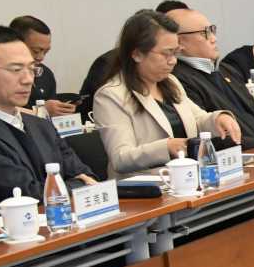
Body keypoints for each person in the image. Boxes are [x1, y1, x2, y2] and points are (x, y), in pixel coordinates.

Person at [91, 10, 241, 175]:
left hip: (187, 177)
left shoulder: (170, 81)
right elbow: (121, 158)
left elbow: (197, 119)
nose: (173, 61)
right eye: (166, 54)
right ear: (137, 54)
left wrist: (218, 118)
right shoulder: (111, 96)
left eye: (175, 53)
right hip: (147, 185)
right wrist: (166, 147)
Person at [0, 23, 95, 211]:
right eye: (16, 70)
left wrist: (74, 184)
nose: (28, 79)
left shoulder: (40, 125)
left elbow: (86, 175)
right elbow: (29, 194)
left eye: (32, 69)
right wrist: (76, 186)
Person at [169, 8, 254, 148]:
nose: (213, 38)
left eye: (212, 30)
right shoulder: (179, 80)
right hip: (245, 153)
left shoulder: (226, 70)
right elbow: (213, 136)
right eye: (205, 33)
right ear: (179, 42)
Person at [8, 16, 76, 115]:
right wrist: (40, 112)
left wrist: (60, 110)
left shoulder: (46, 74)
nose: (41, 57)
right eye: (36, 51)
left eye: (46, 52)